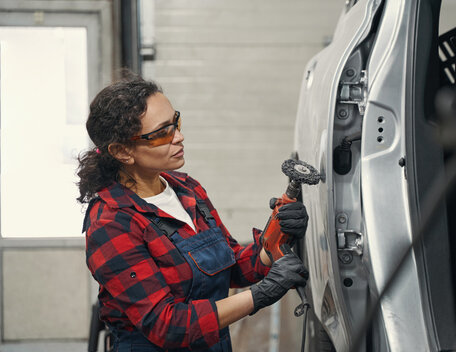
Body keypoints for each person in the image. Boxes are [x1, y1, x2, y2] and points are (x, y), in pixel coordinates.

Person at [77, 75, 309, 352]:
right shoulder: (112, 222)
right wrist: (259, 296)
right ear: (122, 151)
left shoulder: (187, 189)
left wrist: (275, 240)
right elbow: (166, 324)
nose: (179, 136)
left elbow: (230, 265)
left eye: (176, 122)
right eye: (162, 132)